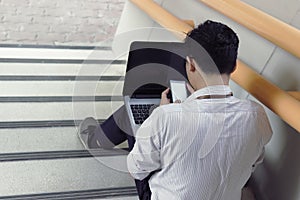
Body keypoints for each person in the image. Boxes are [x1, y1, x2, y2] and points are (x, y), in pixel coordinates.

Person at [78, 20, 272, 200]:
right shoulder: (257, 116)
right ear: (235, 66)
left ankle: (94, 138)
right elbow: (254, 162)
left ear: (191, 65)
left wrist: (156, 120)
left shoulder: (165, 117)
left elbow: (135, 170)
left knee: (129, 113)